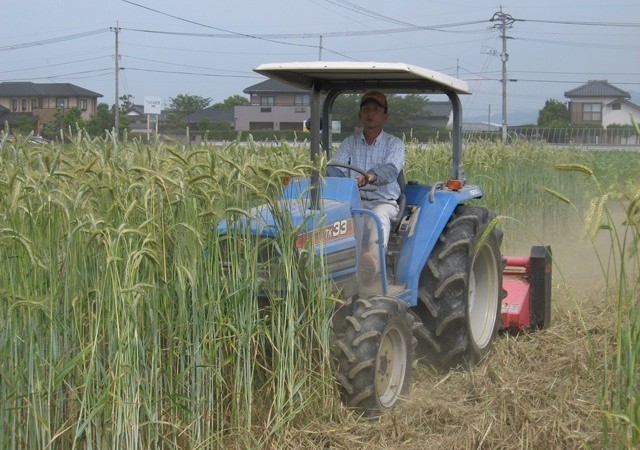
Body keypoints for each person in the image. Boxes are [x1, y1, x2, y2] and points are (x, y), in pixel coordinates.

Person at [327, 90, 405, 281]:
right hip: (355, 201)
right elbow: (335, 169)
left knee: (378, 217)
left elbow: (390, 170)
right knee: (339, 218)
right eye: (366, 109)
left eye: (376, 110)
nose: (371, 114)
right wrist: (339, 179)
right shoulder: (349, 143)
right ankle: (338, 270)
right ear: (360, 114)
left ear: (385, 116)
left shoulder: (394, 144)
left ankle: (373, 268)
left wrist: (368, 177)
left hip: (383, 201)